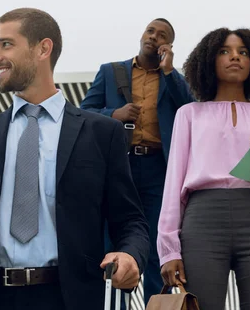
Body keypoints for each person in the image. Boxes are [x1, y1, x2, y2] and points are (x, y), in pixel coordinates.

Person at [0, 8, 150, 310]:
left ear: (43, 48)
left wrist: (130, 255)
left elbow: (131, 220)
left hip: (66, 298)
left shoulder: (101, 133)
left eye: (6, 44)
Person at [158, 28, 250, 310]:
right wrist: (168, 250)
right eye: (224, 51)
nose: (235, 57)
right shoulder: (189, 114)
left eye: (243, 52)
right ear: (208, 61)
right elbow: (173, 185)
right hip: (202, 220)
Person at [80, 18, 194, 304]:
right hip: (120, 165)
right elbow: (84, 113)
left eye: (162, 35)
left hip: (159, 168)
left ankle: (158, 305)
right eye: (150, 31)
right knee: (116, 240)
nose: (154, 37)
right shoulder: (111, 72)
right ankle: (114, 305)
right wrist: (113, 115)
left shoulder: (172, 79)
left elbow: (191, 109)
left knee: (160, 244)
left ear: (168, 45)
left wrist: (169, 71)